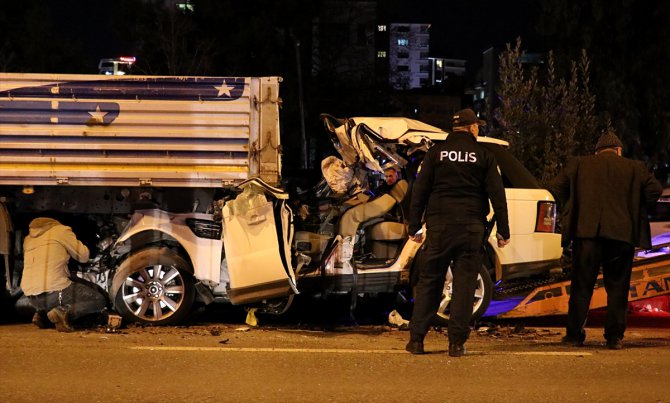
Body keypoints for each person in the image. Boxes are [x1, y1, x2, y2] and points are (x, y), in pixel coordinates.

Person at [406, 108, 510, 357]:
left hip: (440, 227)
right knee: (464, 286)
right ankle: (456, 343)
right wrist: (503, 231)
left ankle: (417, 340)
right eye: (478, 126)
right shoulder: (484, 155)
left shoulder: (434, 154)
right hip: (470, 228)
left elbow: (419, 192)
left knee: (430, 281)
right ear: (472, 128)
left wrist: (414, 226)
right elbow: (497, 195)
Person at [547, 130, 662, 349]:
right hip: (621, 235)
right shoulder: (634, 168)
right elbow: (654, 190)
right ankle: (614, 337)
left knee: (581, 286)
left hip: (587, 234)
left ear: (597, 151)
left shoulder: (580, 164)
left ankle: (574, 335)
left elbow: (557, 187)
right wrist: (634, 207)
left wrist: (574, 207)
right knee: (617, 287)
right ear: (618, 150)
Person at [20, 216, 109, 332]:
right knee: (98, 300)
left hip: (31, 297)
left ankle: (42, 315)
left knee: (69, 282)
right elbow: (83, 256)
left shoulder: (28, 239)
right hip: (54, 291)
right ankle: (64, 312)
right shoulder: (61, 231)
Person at [336, 162, 408, 263]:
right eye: (386, 176)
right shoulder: (384, 187)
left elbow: (383, 205)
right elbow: (372, 198)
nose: (388, 179)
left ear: (396, 175)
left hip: (389, 215)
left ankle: (347, 254)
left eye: (391, 176)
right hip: (380, 212)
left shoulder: (398, 187)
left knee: (355, 219)